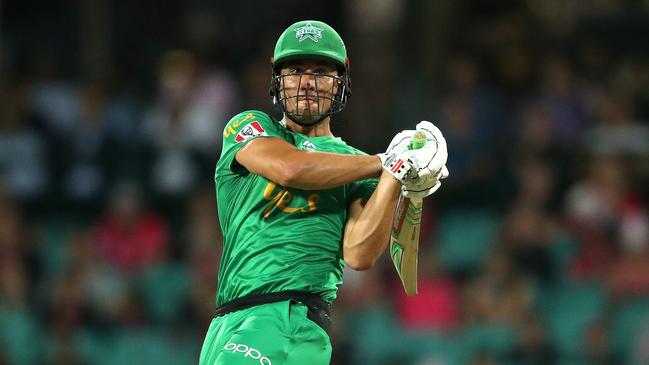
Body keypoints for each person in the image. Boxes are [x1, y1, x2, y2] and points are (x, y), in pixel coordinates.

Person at [199, 20, 448, 365]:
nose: (306, 83)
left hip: (289, 320)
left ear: (340, 84)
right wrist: (385, 161)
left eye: (320, 72)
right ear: (277, 81)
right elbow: (291, 168)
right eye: (295, 71)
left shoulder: (363, 167)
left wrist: (395, 175)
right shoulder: (250, 127)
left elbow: (360, 254)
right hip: (227, 323)